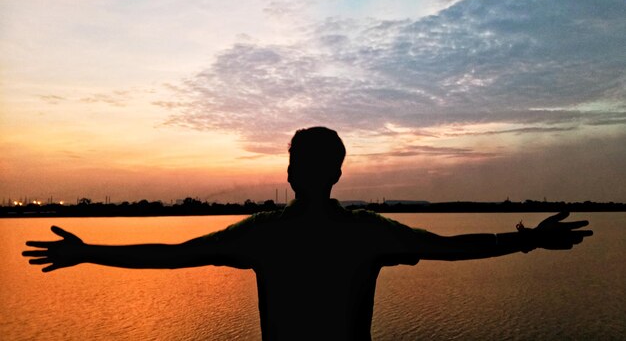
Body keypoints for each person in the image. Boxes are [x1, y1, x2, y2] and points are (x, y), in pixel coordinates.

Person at [23, 127, 592, 340]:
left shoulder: (264, 235)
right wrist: (527, 239)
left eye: (297, 160)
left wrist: (90, 252)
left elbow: (172, 255)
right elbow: (449, 248)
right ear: (337, 173)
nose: (296, 169)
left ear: (294, 173)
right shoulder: (366, 232)